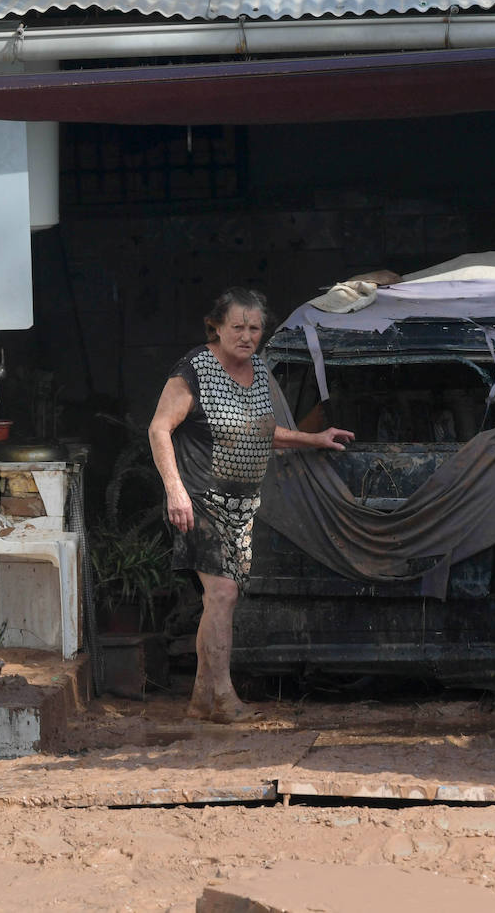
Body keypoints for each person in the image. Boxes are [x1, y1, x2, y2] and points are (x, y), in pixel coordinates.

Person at [148, 287, 354, 724]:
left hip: (241, 505)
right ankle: (222, 698)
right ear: (216, 327)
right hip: (201, 497)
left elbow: (262, 432)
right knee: (222, 592)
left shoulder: (258, 371)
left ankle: (203, 699)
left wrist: (312, 439)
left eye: (255, 328)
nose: (246, 335)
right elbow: (159, 429)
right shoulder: (195, 369)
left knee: (220, 598)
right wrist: (175, 490)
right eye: (237, 327)